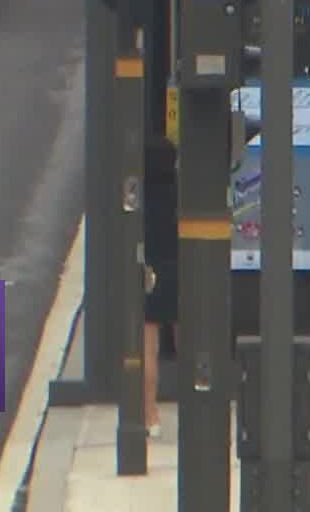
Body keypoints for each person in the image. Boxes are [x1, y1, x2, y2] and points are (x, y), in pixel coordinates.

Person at [141, 134, 179, 439]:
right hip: (180, 270)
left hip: (149, 272)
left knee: (148, 349)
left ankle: (150, 413)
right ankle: (197, 403)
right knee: (189, 345)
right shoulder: (182, 194)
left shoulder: (139, 198)